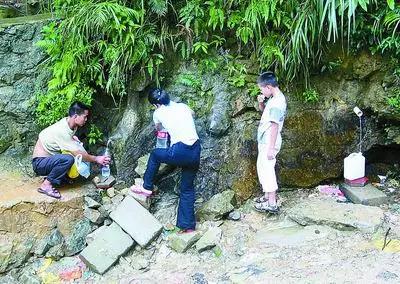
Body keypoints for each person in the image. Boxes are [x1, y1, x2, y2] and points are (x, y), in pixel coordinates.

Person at [130, 88, 201, 233]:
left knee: (156, 154)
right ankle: (188, 226)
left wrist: (163, 127)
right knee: (186, 189)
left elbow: (158, 128)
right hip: (195, 150)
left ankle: (147, 187)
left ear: (155, 104)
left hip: (181, 150)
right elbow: (193, 114)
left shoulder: (158, 113)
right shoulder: (182, 106)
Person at [32, 101, 110, 199]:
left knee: (73, 160)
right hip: (39, 163)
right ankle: (46, 185)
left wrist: (73, 139)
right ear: (76, 116)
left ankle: (57, 179)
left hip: (49, 159)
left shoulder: (71, 125)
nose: (86, 119)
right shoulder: (62, 130)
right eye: (84, 117)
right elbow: (78, 154)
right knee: (68, 159)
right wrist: (96, 159)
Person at [253, 72, 287, 213]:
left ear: (268, 87)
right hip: (266, 140)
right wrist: (261, 102)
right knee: (263, 167)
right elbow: (265, 115)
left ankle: (272, 203)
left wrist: (271, 148)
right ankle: (267, 196)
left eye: (262, 89)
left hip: (269, 141)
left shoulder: (277, 102)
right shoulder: (274, 99)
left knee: (267, 170)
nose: (261, 91)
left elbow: (274, 125)